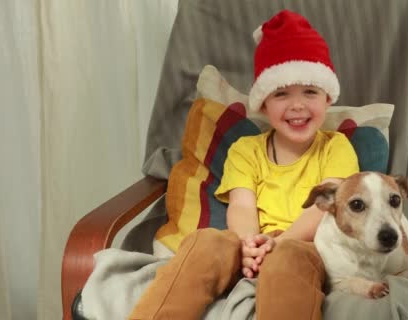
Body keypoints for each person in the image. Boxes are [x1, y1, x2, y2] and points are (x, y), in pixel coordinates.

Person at [128, 10, 359, 320]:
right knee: (206, 241)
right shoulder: (245, 150)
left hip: (304, 246)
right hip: (252, 245)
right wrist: (250, 243)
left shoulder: (336, 147)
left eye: (310, 92)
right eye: (281, 94)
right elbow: (242, 207)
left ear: (327, 98)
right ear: (263, 104)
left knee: (288, 259)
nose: (298, 105)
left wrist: (280, 243)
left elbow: (324, 208)